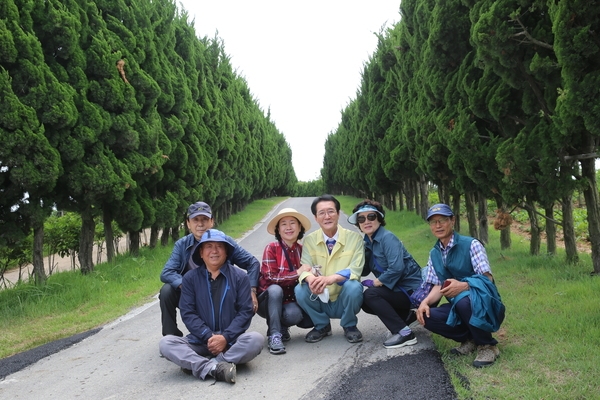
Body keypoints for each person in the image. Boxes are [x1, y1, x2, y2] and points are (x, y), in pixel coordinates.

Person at [159, 229, 264, 383]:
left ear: (226, 251)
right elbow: (188, 313)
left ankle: (206, 363)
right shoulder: (190, 278)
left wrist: (225, 337)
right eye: (208, 246)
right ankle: (215, 368)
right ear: (201, 253)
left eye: (219, 246)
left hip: (231, 341)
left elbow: (245, 312)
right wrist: (209, 336)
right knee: (166, 343)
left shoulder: (240, 277)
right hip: (200, 340)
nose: (214, 251)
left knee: (256, 340)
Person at [416, 204, 505, 368]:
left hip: (485, 305)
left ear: (452, 221)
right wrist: (425, 303)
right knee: (427, 316)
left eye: (442, 220)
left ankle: (487, 345)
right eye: (433, 222)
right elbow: (438, 286)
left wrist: (464, 285)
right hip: (460, 306)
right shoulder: (434, 253)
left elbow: (487, 279)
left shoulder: (471, 244)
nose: (438, 225)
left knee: (464, 300)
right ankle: (470, 340)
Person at [159, 201, 260, 337]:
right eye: (195, 220)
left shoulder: (225, 241)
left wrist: (251, 290)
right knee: (166, 291)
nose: (200, 224)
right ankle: (171, 335)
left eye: (205, 219)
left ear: (212, 221)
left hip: (221, 293)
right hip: (193, 295)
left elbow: (252, 262)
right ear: (188, 223)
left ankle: (228, 335)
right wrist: (186, 285)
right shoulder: (182, 245)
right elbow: (167, 272)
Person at [348, 200, 423, 349]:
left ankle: (405, 333)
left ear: (379, 219)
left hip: (411, 291)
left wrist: (376, 283)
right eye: (361, 219)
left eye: (371, 216)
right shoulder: (368, 242)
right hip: (397, 289)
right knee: (364, 301)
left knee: (371, 295)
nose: (366, 221)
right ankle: (406, 317)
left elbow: (397, 268)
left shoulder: (387, 238)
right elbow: (364, 271)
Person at [294, 195, 365, 343]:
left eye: (331, 211)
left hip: (343, 297)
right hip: (320, 296)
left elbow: (356, 269)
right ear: (316, 218)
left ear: (338, 214)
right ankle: (322, 325)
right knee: (300, 289)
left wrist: (330, 278)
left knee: (354, 286)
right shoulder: (309, 240)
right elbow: (305, 267)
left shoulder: (355, 238)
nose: (327, 216)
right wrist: (311, 279)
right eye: (322, 213)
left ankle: (349, 325)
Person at [257, 208, 314, 355]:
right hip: (268, 299)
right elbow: (270, 278)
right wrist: (297, 273)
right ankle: (274, 335)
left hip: (289, 301)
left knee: (297, 316)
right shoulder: (271, 248)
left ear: (299, 227)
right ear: (278, 229)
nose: (288, 227)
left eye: (292, 223)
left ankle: (282, 326)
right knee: (275, 289)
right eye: (283, 224)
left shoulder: (303, 250)